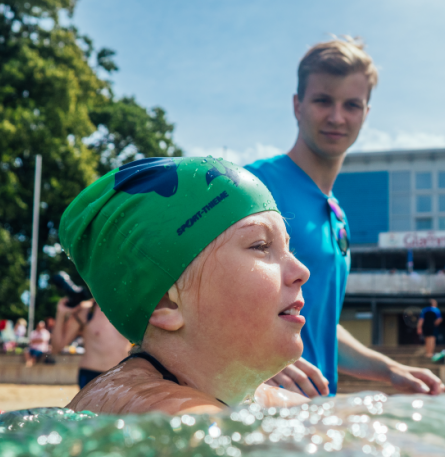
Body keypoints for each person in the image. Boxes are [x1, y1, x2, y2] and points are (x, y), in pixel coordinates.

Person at [246, 37, 443, 398]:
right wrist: (252, 356)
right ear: (297, 105)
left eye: (351, 105)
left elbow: (319, 324)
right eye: (323, 100)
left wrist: (390, 370)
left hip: (314, 412)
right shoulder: (252, 187)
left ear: (366, 114)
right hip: (254, 410)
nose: (337, 117)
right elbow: (193, 295)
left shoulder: (337, 215)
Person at [59, 156, 311, 414]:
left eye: (289, 248)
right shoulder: (159, 410)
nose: (302, 271)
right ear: (166, 302)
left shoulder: (241, 397)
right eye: (261, 246)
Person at [53, 292, 132, 389]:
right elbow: (57, 347)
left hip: (122, 376)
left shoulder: (131, 308)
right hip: (91, 376)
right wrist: (60, 314)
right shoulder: (86, 310)